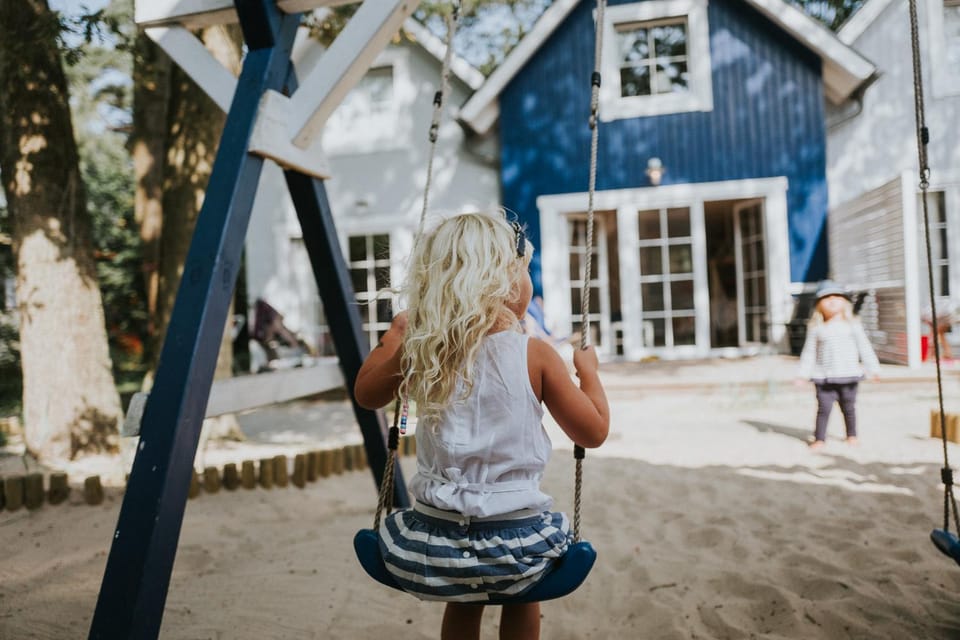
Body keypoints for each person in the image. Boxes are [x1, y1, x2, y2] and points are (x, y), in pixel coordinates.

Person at [354, 211, 610, 640]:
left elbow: (366, 394)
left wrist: (397, 336)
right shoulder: (535, 355)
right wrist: (590, 373)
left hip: (435, 541)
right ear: (506, 284)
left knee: (463, 595)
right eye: (524, 272)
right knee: (525, 591)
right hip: (518, 538)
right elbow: (594, 431)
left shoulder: (422, 350)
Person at [796, 280, 880, 449]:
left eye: (836, 296)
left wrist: (873, 369)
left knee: (849, 408)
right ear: (819, 304)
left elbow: (865, 348)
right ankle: (819, 438)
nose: (832, 300)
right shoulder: (817, 328)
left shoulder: (853, 326)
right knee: (823, 409)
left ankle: (851, 435)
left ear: (844, 302)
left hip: (848, 375)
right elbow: (809, 353)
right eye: (827, 298)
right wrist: (803, 375)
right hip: (824, 377)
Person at [921, 297, 959, 361]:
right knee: (940, 335)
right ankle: (946, 354)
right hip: (947, 315)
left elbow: (933, 330)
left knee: (934, 337)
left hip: (946, 315)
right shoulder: (928, 313)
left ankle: (933, 355)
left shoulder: (927, 314)